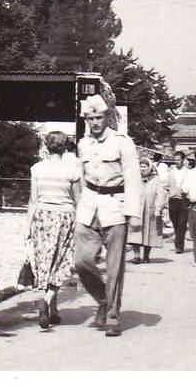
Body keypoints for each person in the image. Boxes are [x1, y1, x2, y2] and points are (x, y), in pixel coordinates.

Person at [73, 94, 142, 338]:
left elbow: (134, 179)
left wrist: (134, 215)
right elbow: (81, 177)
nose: (95, 122)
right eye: (90, 118)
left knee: (114, 268)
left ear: (107, 117)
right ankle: (102, 299)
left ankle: (113, 316)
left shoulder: (123, 142)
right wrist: (79, 203)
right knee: (82, 261)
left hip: (115, 207)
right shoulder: (84, 144)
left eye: (99, 117)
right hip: (89, 205)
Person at [25, 131, 82, 329]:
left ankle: (54, 311)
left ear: (46, 146)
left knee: (46, 262)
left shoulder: (37, 169)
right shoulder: (73, 170)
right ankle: (47, 301)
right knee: (62, 261)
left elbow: (33, 200)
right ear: (65, 146)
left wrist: (27, 227)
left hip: (41, 216)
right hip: (65, 216)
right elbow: (78, 200)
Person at [129, 159, 166, 263]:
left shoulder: (156, 180)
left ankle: (146, 256)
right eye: (141, 166)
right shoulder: (135, 179)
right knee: (135, 233)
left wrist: (158, 207)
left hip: (150, 210)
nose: (142, 169)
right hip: (137, 209)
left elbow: (160, 195)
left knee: (149, 233)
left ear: (150, 167)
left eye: (145, 166)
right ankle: (136, 256)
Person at [164, 151, 191, 254]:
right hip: (173, 201)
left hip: (184, 201)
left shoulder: (188, 173)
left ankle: (179, 246)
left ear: (183, 160)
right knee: (175, 224)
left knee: (182, 224)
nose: (176, 162)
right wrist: (165, 199)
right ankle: (179, 240)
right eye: (175, 160)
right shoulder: (170, 173)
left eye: (178, 160)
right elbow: (166, 186)